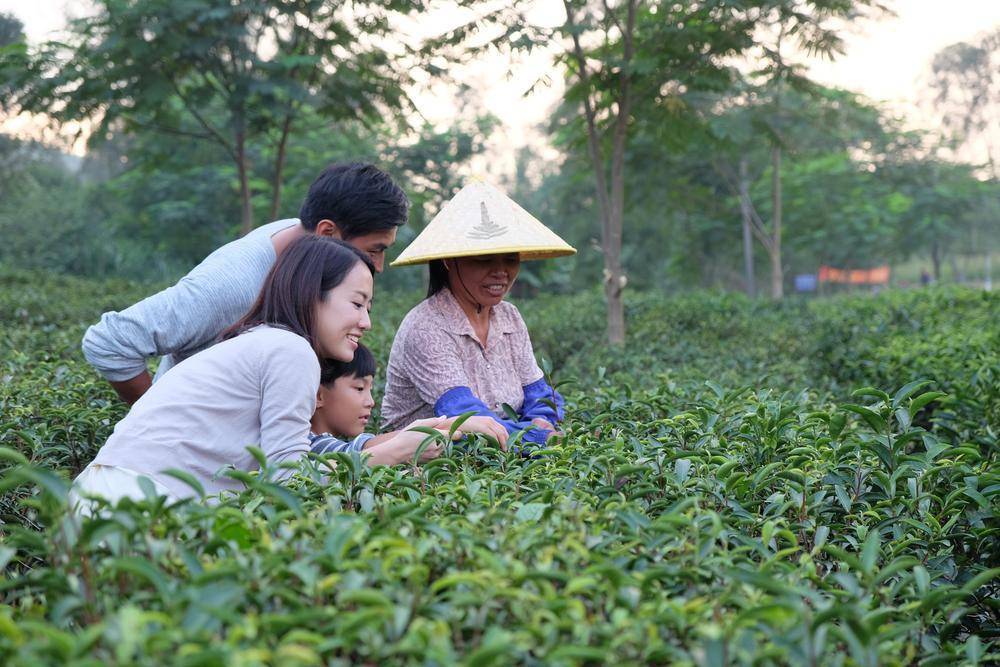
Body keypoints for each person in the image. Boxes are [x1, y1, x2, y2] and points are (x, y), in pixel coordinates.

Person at [70, 236, 453, 506]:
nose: (366, 321)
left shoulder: (263, 342)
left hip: (106, 499)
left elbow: (296, 457)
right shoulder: (291, 351)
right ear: (312, 295)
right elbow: (289, 480)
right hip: (132, 506)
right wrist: (394, 453)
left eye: (368, 307)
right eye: (357, 304)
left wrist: (396, 441)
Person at [82, 162, 408, 405]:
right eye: (373, 250)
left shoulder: (302, 242)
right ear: (327, 232)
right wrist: (160, 422)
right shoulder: (234, 284)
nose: (378, 266)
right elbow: (110, 341)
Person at [381, 180, 576, 448]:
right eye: (484, 260)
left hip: (506, 457)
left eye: (510, 259)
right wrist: (540, 438)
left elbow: (539, 393)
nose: (501, 272)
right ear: (448, 261)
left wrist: (542, 419)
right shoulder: (426, 326)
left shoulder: (509, 316)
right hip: (429, 462)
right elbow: (466, 418)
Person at [309, 344, 509, 465]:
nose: (371, 402)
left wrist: (453, 424)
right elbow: (357, 454)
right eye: (360, 388)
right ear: (318, 395)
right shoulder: (309, 445)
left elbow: (367, 446)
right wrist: (451, 425)